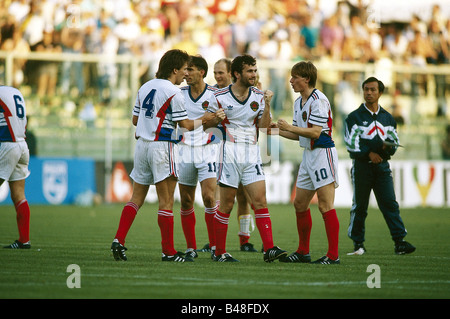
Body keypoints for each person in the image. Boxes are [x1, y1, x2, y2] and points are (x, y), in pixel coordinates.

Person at [110, 49, 224, 262]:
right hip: (162, 147)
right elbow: (187, 125)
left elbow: (135, 121)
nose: (185, 74)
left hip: (142, 146)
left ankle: (119, 239)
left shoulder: (145, 87)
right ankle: (168, 251)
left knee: (136, 198)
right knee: (167, 201)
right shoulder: (173, 92)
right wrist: (206, 119)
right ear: (174, 69)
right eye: (183, 69)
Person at [204, 54, 287, 262]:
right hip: (229, 150)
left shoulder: (259, 96)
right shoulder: (220, 96)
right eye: (249, 71)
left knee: (260, 200)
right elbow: (205, 126)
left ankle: (269, 249)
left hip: (251, 152)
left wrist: (267, 105)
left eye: (255, 70)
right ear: (237, 74)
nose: (254, 74)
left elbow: (265, 128)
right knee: (227, 204)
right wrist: (215, 118)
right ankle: (219, 252)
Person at [274, 61, 340, 264]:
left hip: (323, 154)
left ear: (307, 79)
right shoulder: (298, 102)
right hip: (308, 155)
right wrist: (275, 129)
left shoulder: (318, 100)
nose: (291, 81)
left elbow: (315, 132)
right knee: (300, 203)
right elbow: (299, 136)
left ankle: (333, 255)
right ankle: (303, 251)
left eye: (295, 77)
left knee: (325, 205)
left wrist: (289, 128)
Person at [344, 77, 415, 255]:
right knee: (360, 206)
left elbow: (394, 141)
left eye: (372, 90)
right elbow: (351, 143)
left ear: (380, 93)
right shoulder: (354, 117)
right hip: (362, 167)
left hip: (382, 167)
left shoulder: (388, 118)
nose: (369, 93)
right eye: (366, 89)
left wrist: (386, 150)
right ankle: (358, 244)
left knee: (390, 204)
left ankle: (400, 242)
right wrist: (370, 153)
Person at [177, 55, 220, 261]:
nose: (186, 74)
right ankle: (190, 248)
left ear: (202, 72)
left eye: (190, 70)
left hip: (208, 149)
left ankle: (214, 246)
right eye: (185, 70)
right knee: (186, 201)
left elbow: (222, 119)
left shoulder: (214, 94)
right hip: (184, 149)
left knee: (209, 197)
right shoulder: (179, 93)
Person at [212, 58, 258, 253]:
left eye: (221, 72)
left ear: (231, 73)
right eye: (215, 73)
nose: (218, 76)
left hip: (244, 149)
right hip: (217, 148)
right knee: (217, 196)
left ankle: (244, 239)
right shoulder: (214, 94)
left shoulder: (252, 92)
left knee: (244, 196)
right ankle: (215, 242)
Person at [0, 86, 32, 249]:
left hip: (7, 144)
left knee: (18, 194)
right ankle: (24, 240)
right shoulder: (15, 92)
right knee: (19, 194)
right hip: (22, 145)